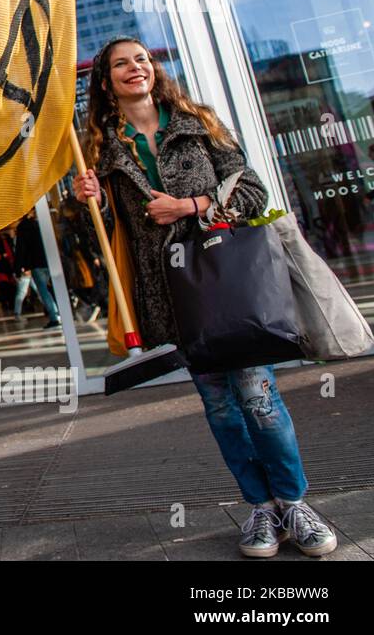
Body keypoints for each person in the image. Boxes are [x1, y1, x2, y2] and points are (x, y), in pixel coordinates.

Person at [73, 35, 336, 559]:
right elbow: (105, 234)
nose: (135, 69)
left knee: (259, 399)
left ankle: (294, 502)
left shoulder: (198, 122)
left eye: (141, 60)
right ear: (106, 81)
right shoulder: (100, 147)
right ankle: (260, 507)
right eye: (121, 65)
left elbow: (253, 190)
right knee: (219, 407)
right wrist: (92, 205)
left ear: (153, 69)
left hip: (229, 283)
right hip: (173, 296)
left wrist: (191, 205)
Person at [13, 209, 60, 328]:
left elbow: (21, 249)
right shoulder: (39, 224)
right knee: (53, 289)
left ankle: (54, 317)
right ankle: (58, 312)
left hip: (35, 263)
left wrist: (18, 268)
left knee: (44, 291)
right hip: (49, 260)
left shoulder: (22, 228)